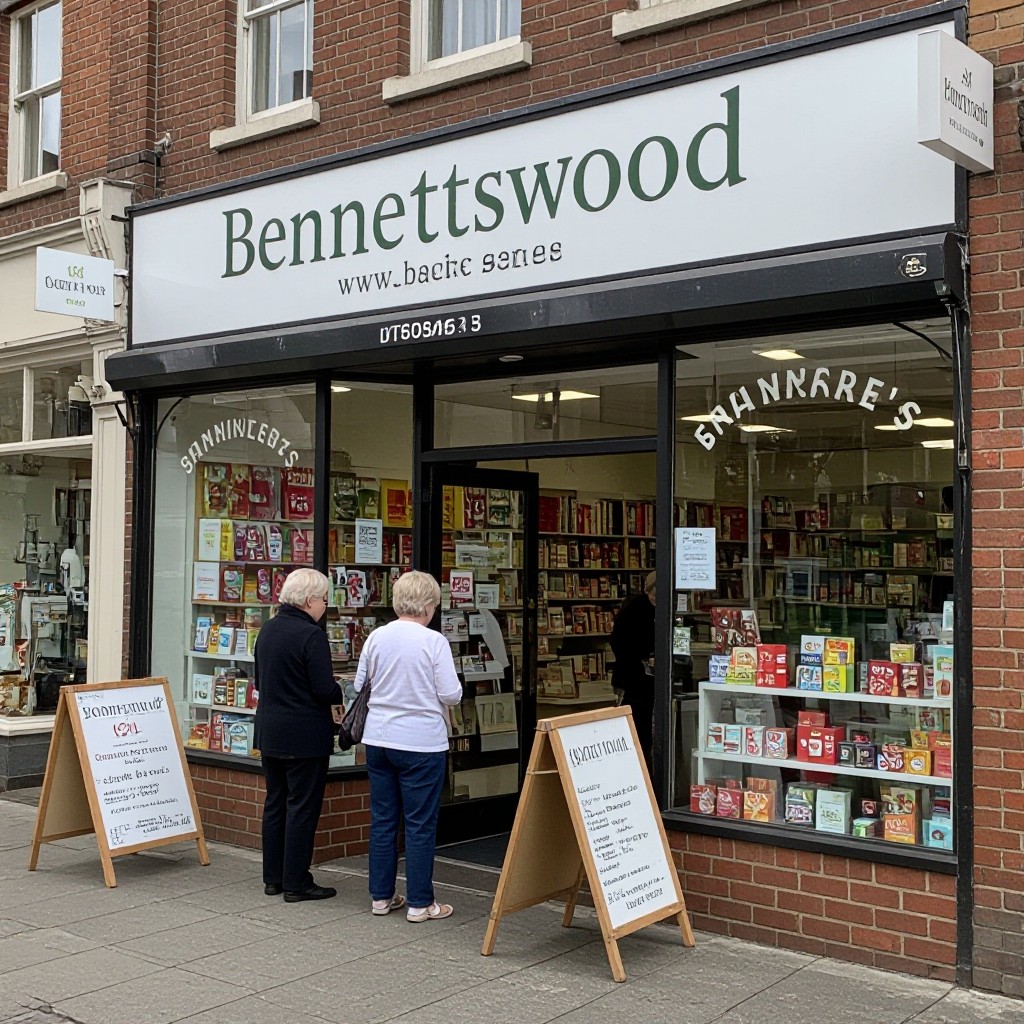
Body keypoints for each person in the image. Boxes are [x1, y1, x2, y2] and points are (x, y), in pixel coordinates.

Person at [354, 570, 463, 922]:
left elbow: (359, 684)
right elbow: (450, 694)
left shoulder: (377, 637)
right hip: (421, 741)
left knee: (383, 820)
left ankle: (380, 898)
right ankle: (420, 903)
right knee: (419, 824)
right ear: (429, 605)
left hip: (379, 737)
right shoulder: (434, 642)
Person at [253, 567, 342, 902]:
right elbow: (322, 688)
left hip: (271, 731)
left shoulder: (268, 629)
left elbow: (260, 682)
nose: (325, 606)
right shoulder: (310, 635)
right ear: (308, 601)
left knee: (275, 802)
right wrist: (340, 692)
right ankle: (297, 882)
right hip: (304, 735)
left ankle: (273, 877)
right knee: (302, 807)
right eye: (323, 600)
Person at [609, 570, 656, 770]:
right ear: (650, 591)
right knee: (638, 730)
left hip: (645, 680)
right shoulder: (635, 609)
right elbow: (619, 642)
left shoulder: (659, 609)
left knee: (645, 729)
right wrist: (644, 657)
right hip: (634, 680)